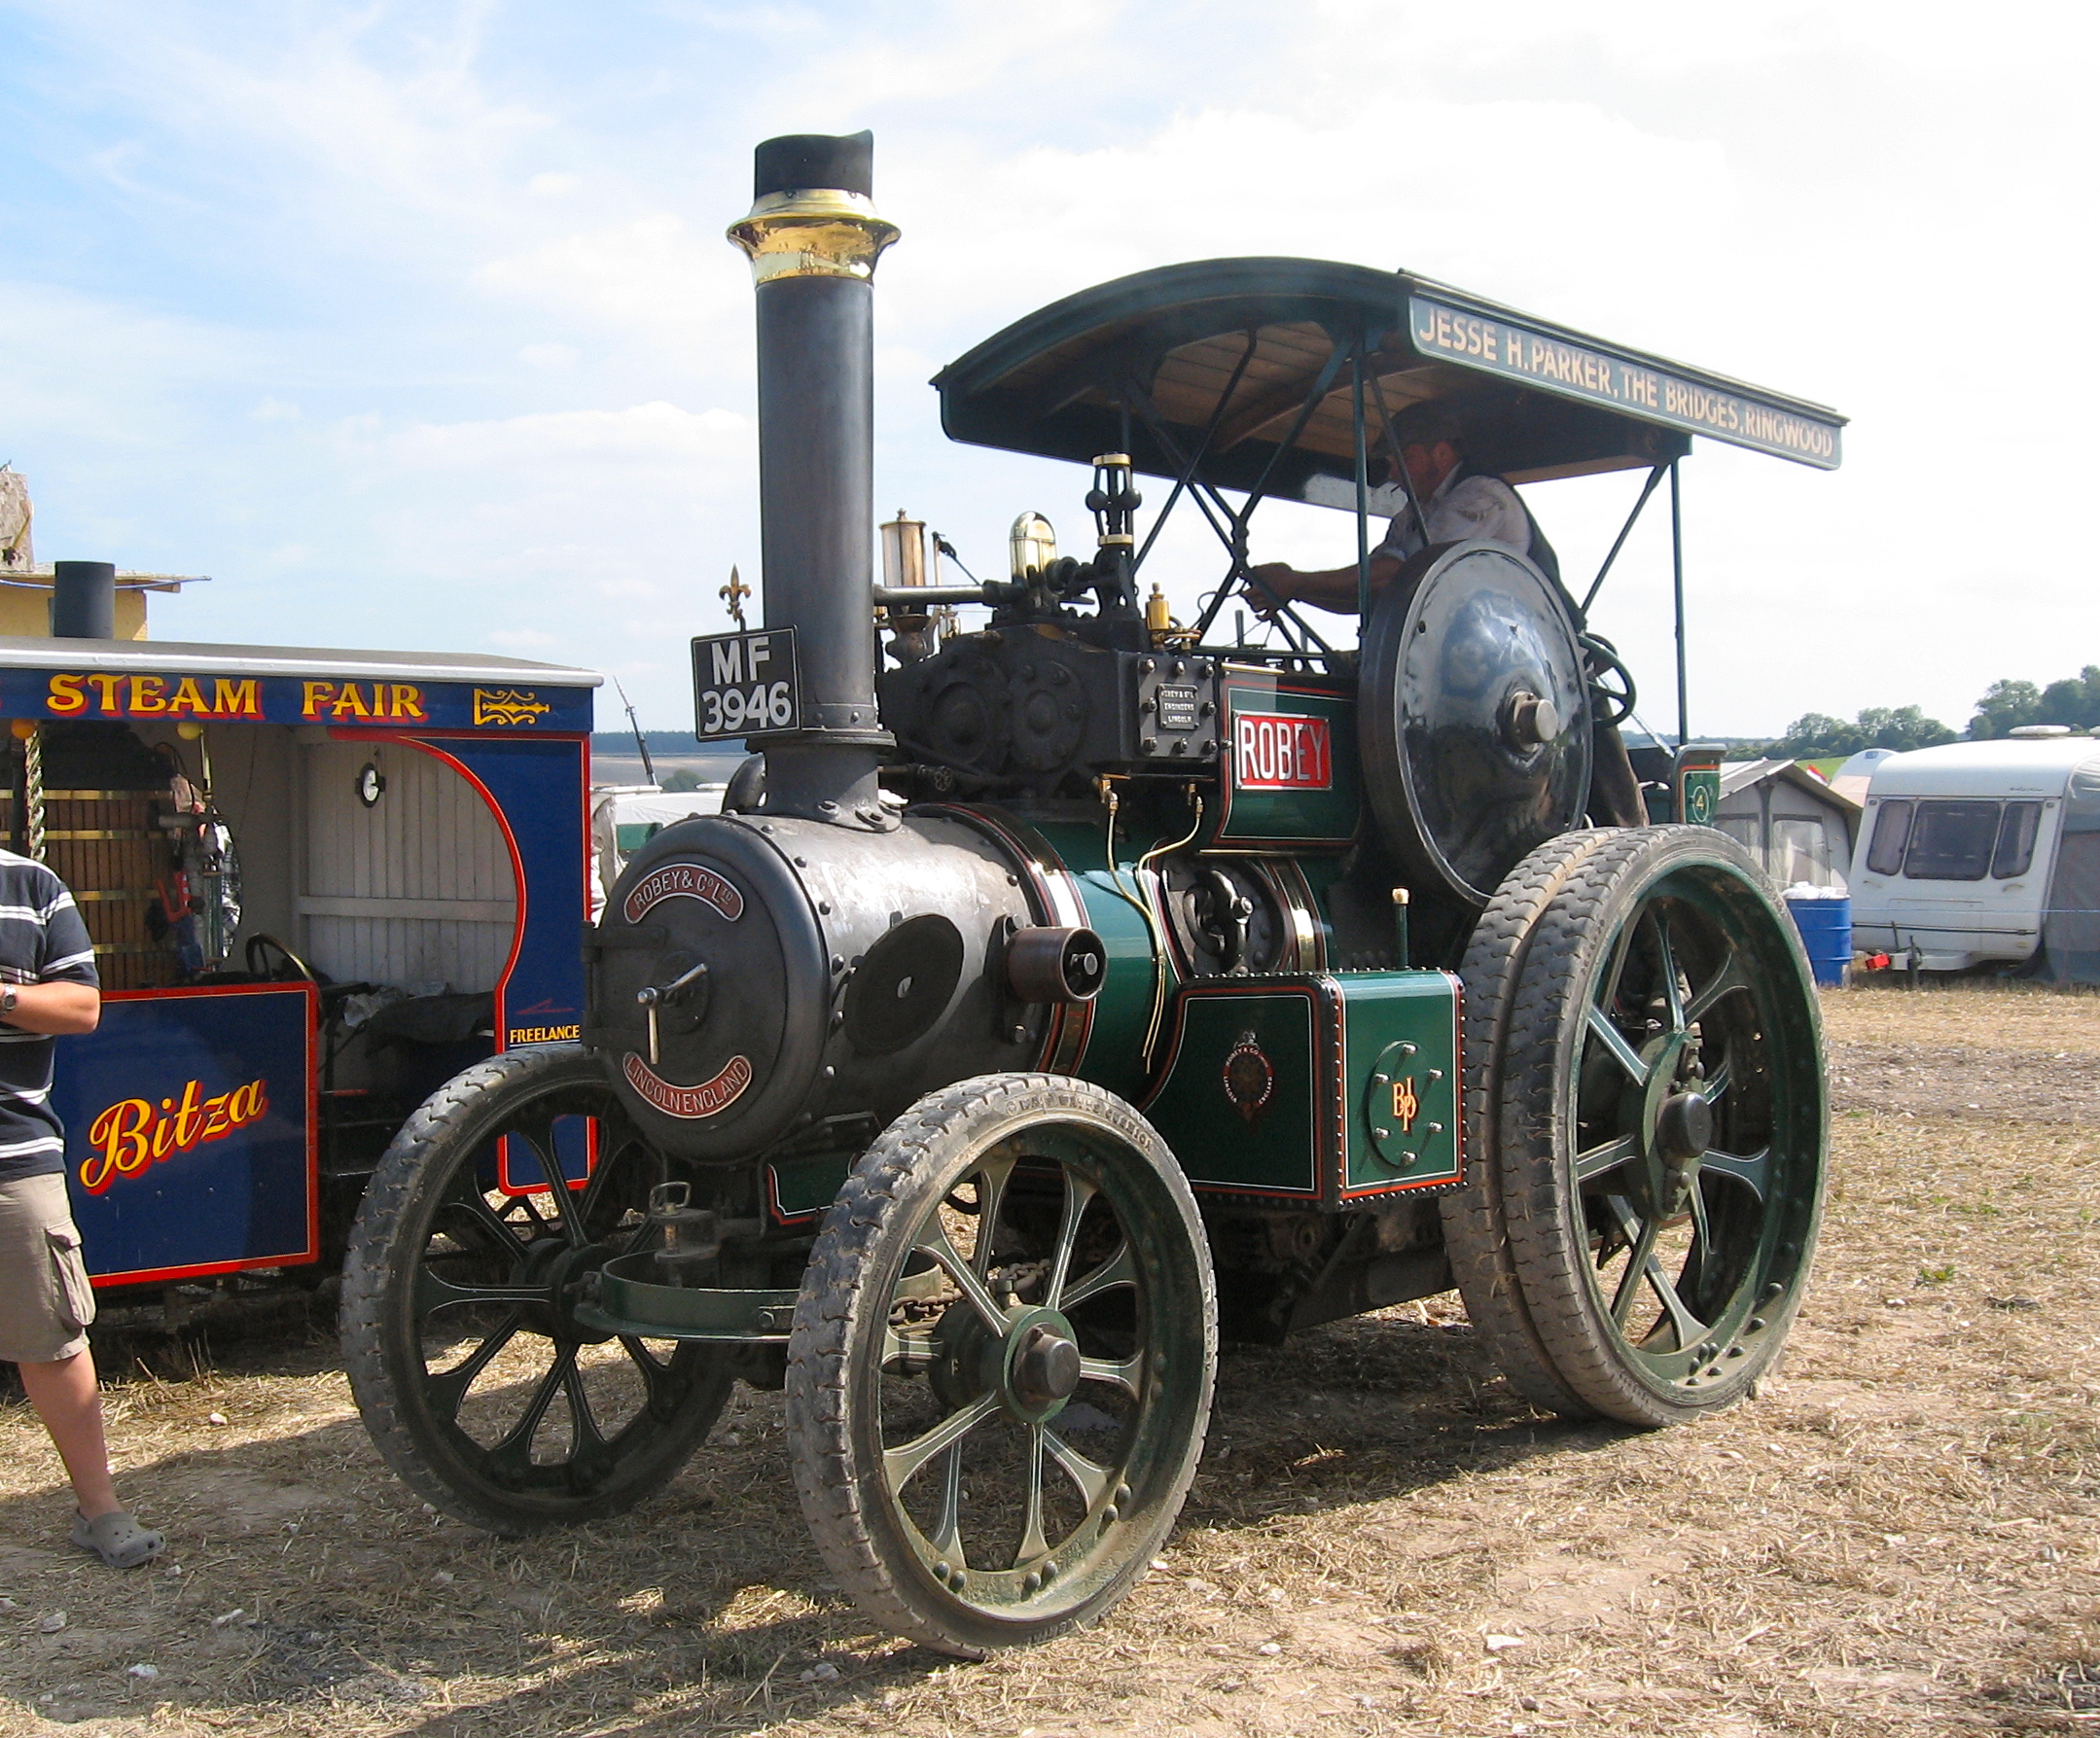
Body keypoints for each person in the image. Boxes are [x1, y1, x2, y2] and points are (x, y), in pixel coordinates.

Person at [0, 845, 163, 1568]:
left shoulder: (32, 887)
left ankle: (100, 1510)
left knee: (55, 1334)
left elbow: (83, 1004)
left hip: (13, 1155)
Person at [1247, 412, 1559, 616]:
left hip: (1534, 656)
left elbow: (1403, 576)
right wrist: (1294, 589)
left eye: (1404, 459)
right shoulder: (1413, 513)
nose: (1393, 473)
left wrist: (1295, 581)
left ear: (1441, 453)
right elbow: (1370, 592)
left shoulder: (1481, 495)